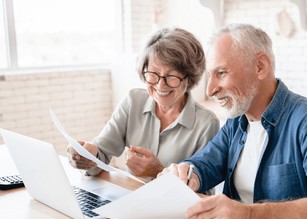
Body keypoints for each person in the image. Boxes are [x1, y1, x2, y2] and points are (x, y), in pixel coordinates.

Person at [160, 23, 307, 219]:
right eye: (210, 75)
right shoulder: (237, 121)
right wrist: (187, 172)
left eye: (221, 73)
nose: (210, 89)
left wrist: (249, 217)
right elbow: (205, 164)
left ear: (260, 66)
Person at [67, 27, 220, 180]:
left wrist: (158, 172)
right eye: (153, 74)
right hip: (130, 197)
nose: (160, 86)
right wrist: (87, 157)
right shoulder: (133, 101)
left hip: (174, 204)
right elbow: (100, 154)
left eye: (172, 76)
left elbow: (203, 195)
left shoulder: (206, 123)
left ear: (189, 77)